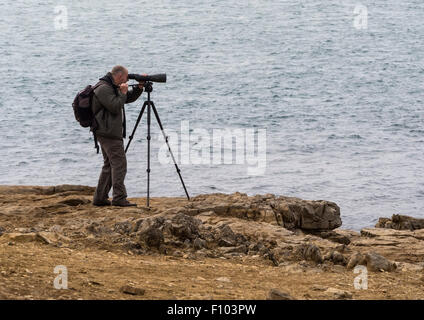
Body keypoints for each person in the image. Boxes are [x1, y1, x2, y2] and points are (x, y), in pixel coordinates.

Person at [91, 65, 144, 207]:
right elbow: (115, 106)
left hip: (108, 131)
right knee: (119, 164)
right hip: (108, 132)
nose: (127, 79)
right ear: (119, 76)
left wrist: (138, 88)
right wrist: (123, 92)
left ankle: (100, 198)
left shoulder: (111, 86)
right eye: (126, 77)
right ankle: (119, 198)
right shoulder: (103, 88)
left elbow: (125, 99)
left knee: (109, 165)